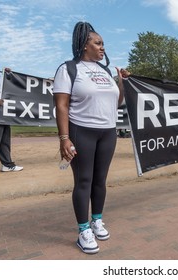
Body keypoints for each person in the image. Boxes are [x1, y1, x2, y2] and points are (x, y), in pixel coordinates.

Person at [53, 22, 126, 254]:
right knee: (84, 180)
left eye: (103, 43)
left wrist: (121, 81)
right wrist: (64, 138)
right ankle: (83, 230)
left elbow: (117, 102)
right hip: (81, 131)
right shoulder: (68, 69)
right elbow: (61, 105)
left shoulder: (105, 71)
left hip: (108, 132)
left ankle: (97, 220)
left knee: (100, 180)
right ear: (85, 45)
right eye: (98, 43)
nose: (103, 47)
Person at [0, 65, 23, 177]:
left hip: (4, 117)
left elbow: (8, 86)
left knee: (4, 143)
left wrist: (7, 73)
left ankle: (7, 165)